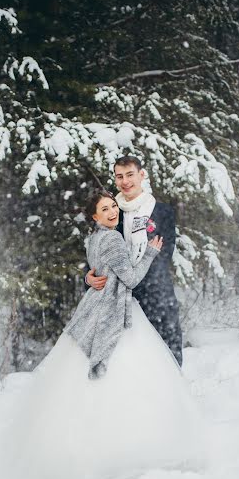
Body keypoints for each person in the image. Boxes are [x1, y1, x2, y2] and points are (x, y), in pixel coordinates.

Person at [2, 191, 206, 479]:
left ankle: (73, 450)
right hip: (115, 308)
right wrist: (150, 251)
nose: (112, 212)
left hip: (97, 303)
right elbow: (131, 279)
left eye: (113, 207)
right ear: (95, 217)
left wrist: (92, 277)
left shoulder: (95, 238)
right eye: (104, 209)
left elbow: (100, 270)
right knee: (128, 374)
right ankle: (125, 448)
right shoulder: (112, 239)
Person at [85, 156, 183, 367]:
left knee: (168, 354)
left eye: (130, 174)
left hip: (156, 295)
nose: (125, 181)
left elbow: (164, 254)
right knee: (125, 362)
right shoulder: (111, 211)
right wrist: (89, 277)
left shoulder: (162, 211)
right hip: (117, 297)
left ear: (141, 175)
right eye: (119, 176)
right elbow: (99, 250)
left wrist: (137, 281)